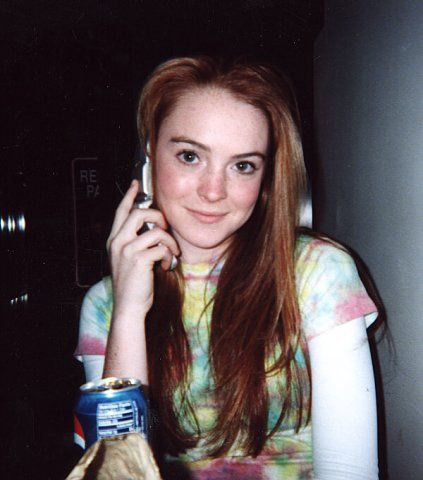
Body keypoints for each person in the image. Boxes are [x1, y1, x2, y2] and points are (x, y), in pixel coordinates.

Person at [74, 56, 379, 479]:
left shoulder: (318, 273)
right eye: (189, 156)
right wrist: (128, 313)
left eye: (242, 166)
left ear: (266, 177)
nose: (214, 191)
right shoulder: (104, 304)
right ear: (149, 160)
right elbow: (118, 470)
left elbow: (348, 471)